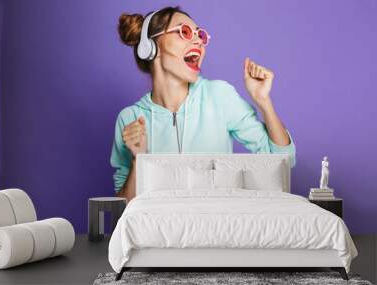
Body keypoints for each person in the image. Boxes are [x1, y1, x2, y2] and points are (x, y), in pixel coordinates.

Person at [111, 6, 296, 202]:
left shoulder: (219, 96)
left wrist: (263, 101)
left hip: (215, 226)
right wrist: (138, 159)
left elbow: (283, 160)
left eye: (200, 35)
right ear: (151, 48)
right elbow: (124, 208)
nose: (199, 41)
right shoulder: (130, 118)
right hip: (163, 230)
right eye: (185, 32)